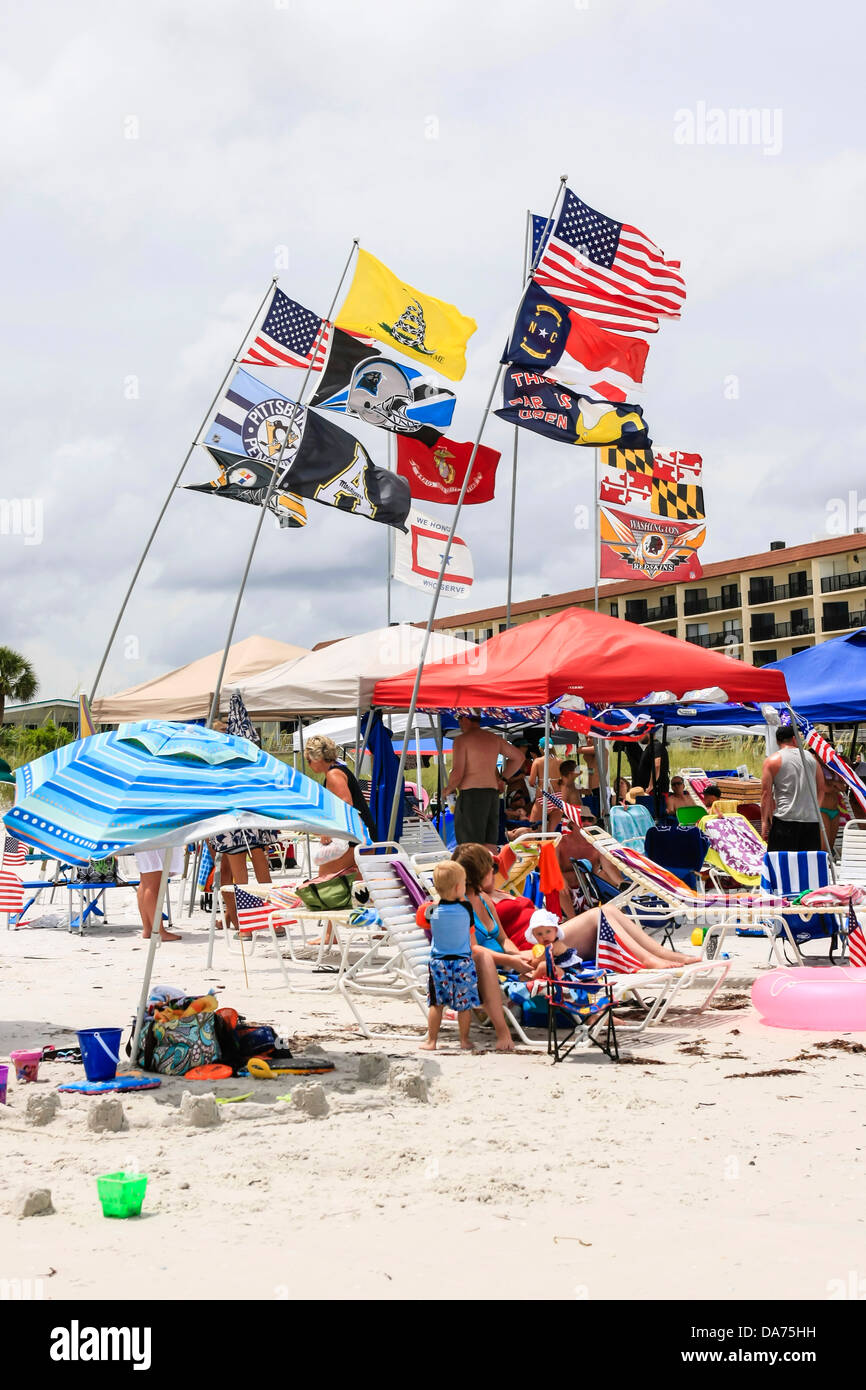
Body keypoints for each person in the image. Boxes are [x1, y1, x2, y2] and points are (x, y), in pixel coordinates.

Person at [452, 842, 533, 1051]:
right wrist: (511, 961)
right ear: (481, 872)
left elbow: (503, 939)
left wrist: (520, 956)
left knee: (551, 952)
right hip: (473, 971)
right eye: (492, 867)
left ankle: (590, 1013)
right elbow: (472, 949)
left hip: (503, 965)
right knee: (484, 958)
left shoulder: (484, 899)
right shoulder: (459, 907)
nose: (493, 871)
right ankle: (502, 1032)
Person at [420, 861, 480, 1053]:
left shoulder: (431, 910)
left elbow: (424, 923)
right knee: (464, 1005)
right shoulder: (466, 908)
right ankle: (464, 1040)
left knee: (436, 1004)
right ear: (457, 887)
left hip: (439, 963)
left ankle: (431, 1041)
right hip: (463, 962)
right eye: (463, 883)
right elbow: (470, 932)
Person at [444, 714, 524, 849]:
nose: (459, 723)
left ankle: (473, 870)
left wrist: (448, 789)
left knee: (469, 847)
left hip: (471, 795)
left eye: (459, 719)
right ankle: (490, 870)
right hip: (492, 795)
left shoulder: (462, 740)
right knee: (490, 844)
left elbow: (458, 772)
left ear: (465, 719)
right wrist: (503, 779)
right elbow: (519, 757)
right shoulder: (493, 738)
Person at [560, 902, 701, 967]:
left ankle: (661, 953)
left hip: (542, 940)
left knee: (609, 909)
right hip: (540, 948)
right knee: (597, 914)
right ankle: (647, 959)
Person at [760, 726, 824, 851]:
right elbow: (821, 788)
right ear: (795, 739)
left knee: (781, 864)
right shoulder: (811, 758)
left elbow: (766, 794)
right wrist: (816, 809)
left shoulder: (772, 760)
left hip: (785, 818)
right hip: (811, 820)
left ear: (778, 741)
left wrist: (764, 821)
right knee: (807, 865)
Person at [134, 846, 183, 942]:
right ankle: (158, 932)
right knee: (152, 883)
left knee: (146, 881)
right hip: (152, 837)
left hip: (143, 838)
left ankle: (148, 929)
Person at [525, 908, 582, 980]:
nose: (544, 936)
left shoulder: (554, 945)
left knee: (542, 966)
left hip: (569, 973)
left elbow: (540, 960)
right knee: (541, 968)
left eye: (548, 931)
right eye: (539, 934)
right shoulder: (543, 946)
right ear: (534, 936)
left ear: (555, 930)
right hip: (558, 970)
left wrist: (531, 963)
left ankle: (531, 980)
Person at [528, 739, 561, 823]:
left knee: (534, 827)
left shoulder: (537, 761)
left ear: (541, 748)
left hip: (544, 796)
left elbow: (531, 782)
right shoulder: (560, 761)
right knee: (552, 832)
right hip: (558, 797)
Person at [636, 730, 670, 799]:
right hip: (651, 791)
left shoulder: (655, 745)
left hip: (655, 792)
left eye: (640, 733)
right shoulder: (651, 747)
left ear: (648, 732)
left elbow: (657, 764)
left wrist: (651, 785)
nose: (638, 736)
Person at [819, 771, 846, 851]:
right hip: (822, 810)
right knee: (824, 848)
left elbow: (843, 787)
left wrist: (832, 783)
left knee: (830, 848)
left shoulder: (834, 765)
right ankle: (823, 863)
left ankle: (829, 863)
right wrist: (835, 784)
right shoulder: (817, 764)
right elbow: (824, 787)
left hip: (835, 811)